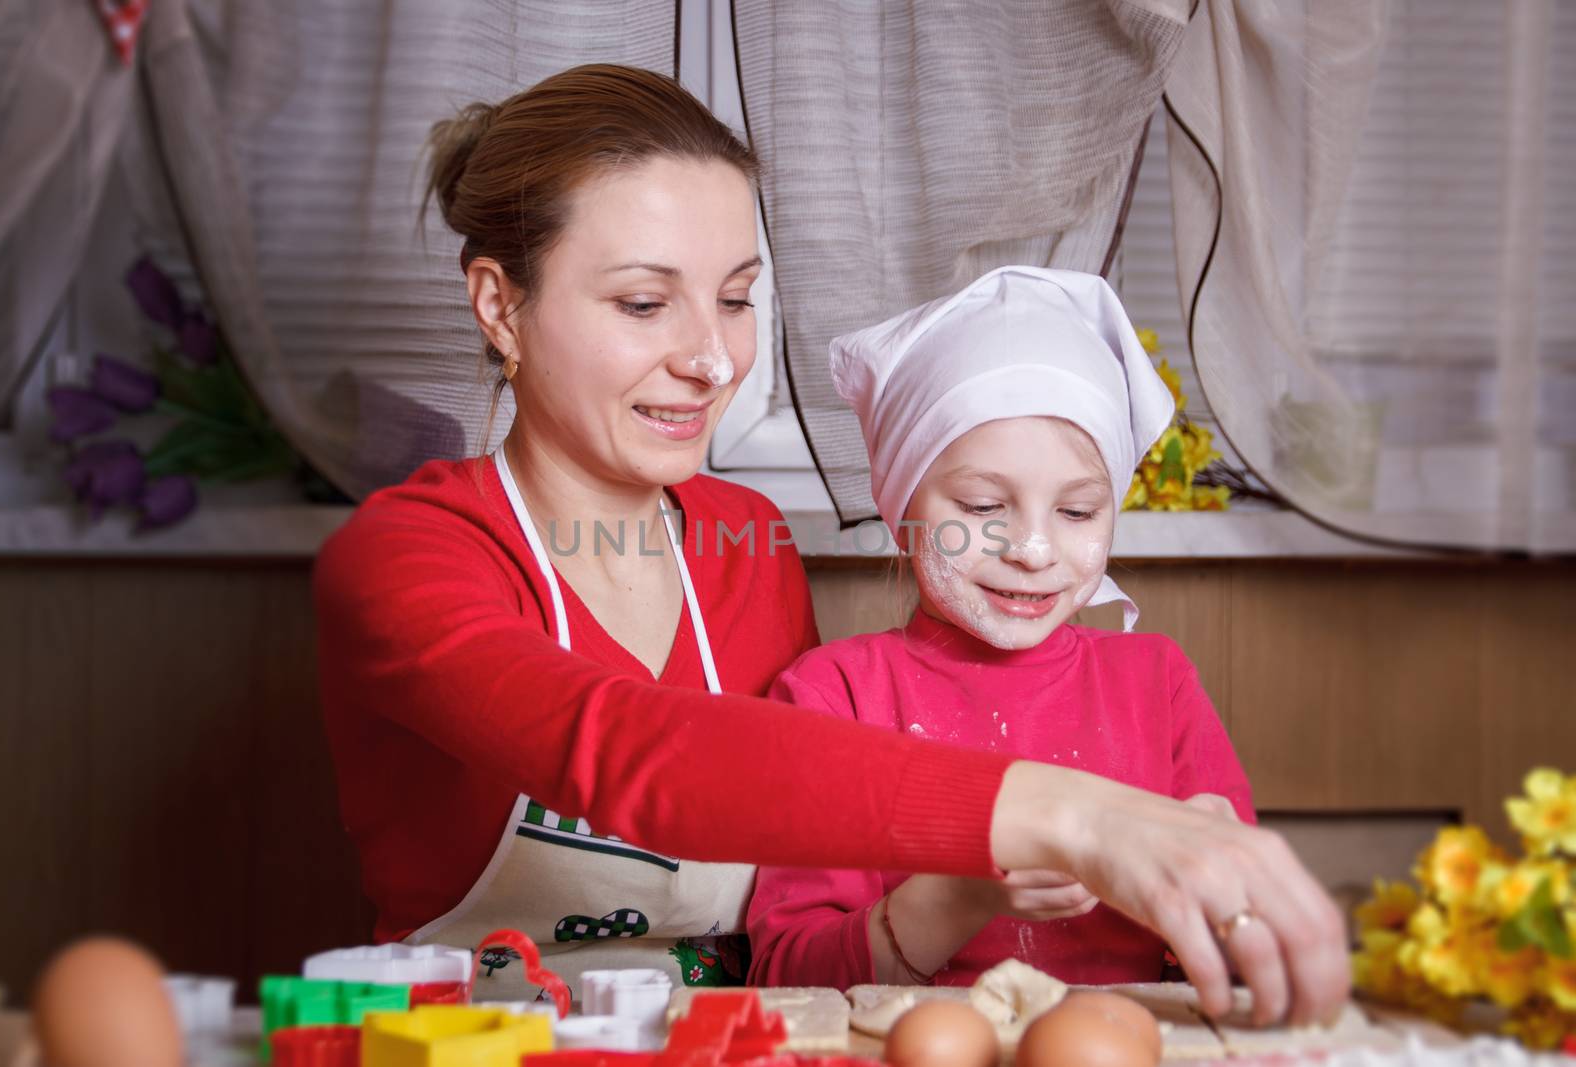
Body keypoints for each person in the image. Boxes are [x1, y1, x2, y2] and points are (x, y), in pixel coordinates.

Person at [312, 63, 1348, 1024]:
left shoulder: (744, 540)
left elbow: (788, 854)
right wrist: (1068, 812)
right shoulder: (406, 554)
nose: (712, 360)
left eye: (734, 299)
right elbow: (630, 752)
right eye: (642, 302)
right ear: (500, 304)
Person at [746, 266, 1253, 991]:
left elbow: (1245, 963)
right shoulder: (836, 697)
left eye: (1077, 512)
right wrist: (963, 891)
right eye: (984, 507)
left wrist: (1222, 898)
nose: (1034, 549)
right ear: (901, 505)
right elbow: (789, 977)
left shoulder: (1157, 683)